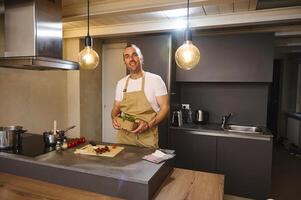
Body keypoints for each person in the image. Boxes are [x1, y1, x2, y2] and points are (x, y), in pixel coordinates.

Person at [111, 44, 170, 148]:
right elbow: (115, 109)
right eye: (127, 56)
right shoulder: (121, 83)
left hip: (147, 138)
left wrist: (148, 125)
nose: (131, 59)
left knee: (147, 164)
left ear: (141, 58)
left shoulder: (155, 80)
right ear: (124, 61)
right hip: (125, 138)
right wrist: (114, 119)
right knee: (123, 163)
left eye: (134, 55)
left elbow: (165, 108)